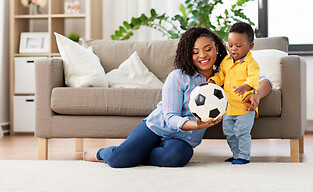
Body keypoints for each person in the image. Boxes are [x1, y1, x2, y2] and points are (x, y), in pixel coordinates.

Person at [83, 27, 229, 168]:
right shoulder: (179, 76)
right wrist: (196, 125)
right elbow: (170, 116)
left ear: (217, 48)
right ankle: (102, 153)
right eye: (195, 52)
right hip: (157, 128)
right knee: (119, 160)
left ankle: (136, 154)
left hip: (181, 140)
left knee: (177, 157)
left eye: (208, 49)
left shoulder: (223, 79)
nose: (202, 55)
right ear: (187, 54)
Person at [208, 21, 262, 165]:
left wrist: (246, 86)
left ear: (250, 46)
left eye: (238, 46)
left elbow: (254, 78)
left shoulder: (251, 64)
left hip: (244, 108)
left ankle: (244, 156)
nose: (233, 49)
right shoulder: (226, 61)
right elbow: (221, 76)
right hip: (228, 108)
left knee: (241, 133)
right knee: (230, 134)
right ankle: (236, 154)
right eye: (230, 46)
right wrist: (213, 81)